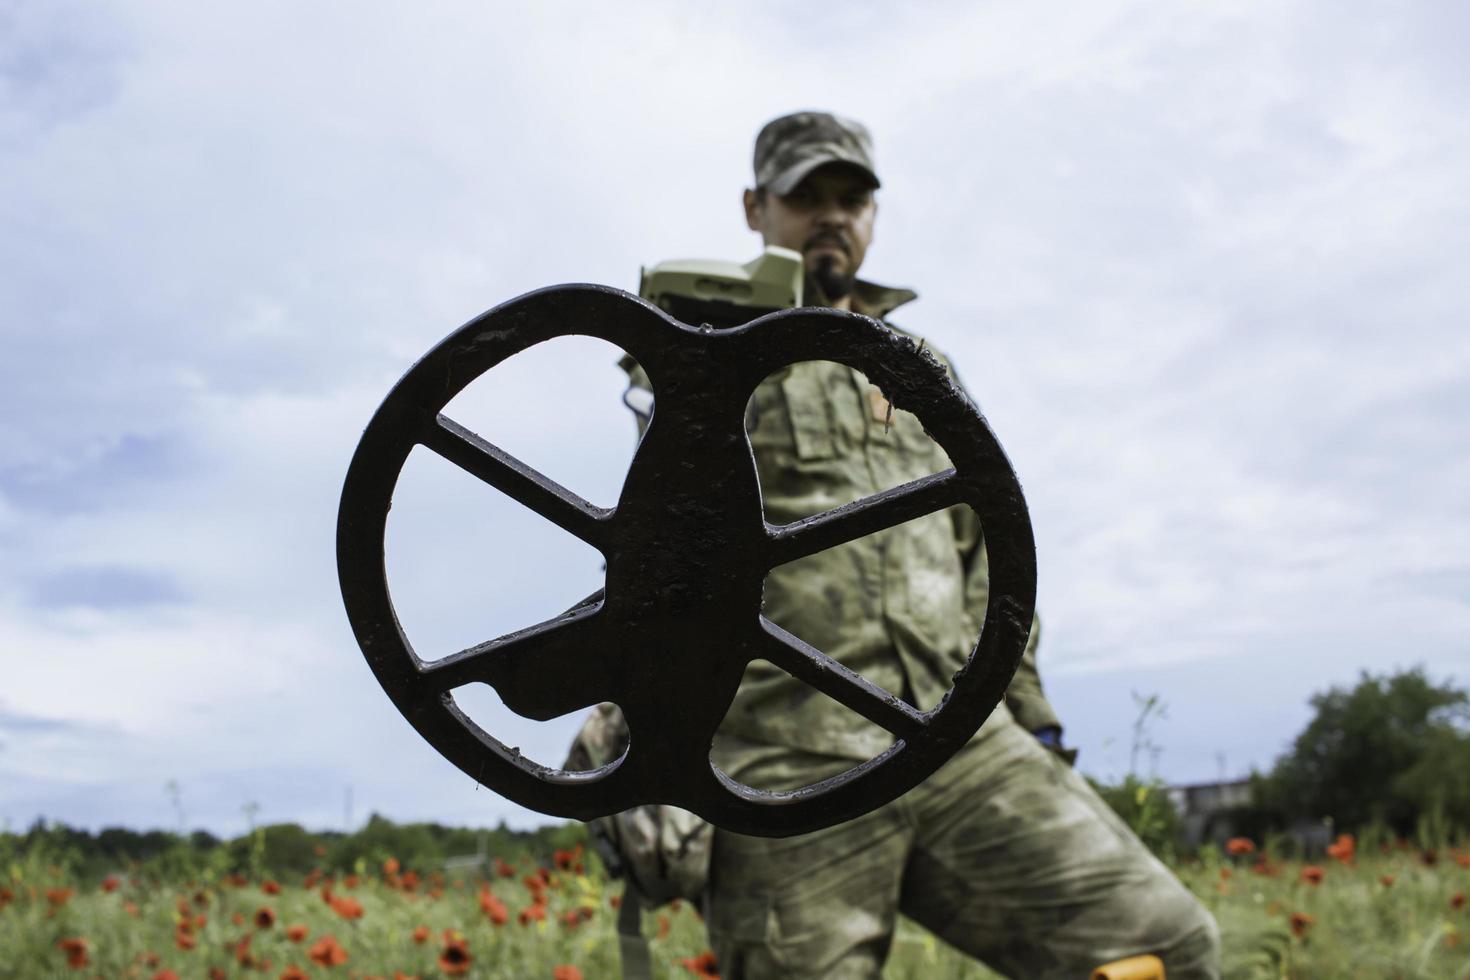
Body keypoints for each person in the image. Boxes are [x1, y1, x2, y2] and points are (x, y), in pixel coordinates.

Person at [620, 111, 1221, 979]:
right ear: (757, 208)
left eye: (851, 198)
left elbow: (987, 556)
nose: (832, 214)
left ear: (872, 215)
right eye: (806, 196)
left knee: (1167, 948)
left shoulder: (921, 366)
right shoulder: (707, 348)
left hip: (960, 740)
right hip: (789, 769)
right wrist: (635, 739)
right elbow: (654, 560)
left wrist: (1032, 720)